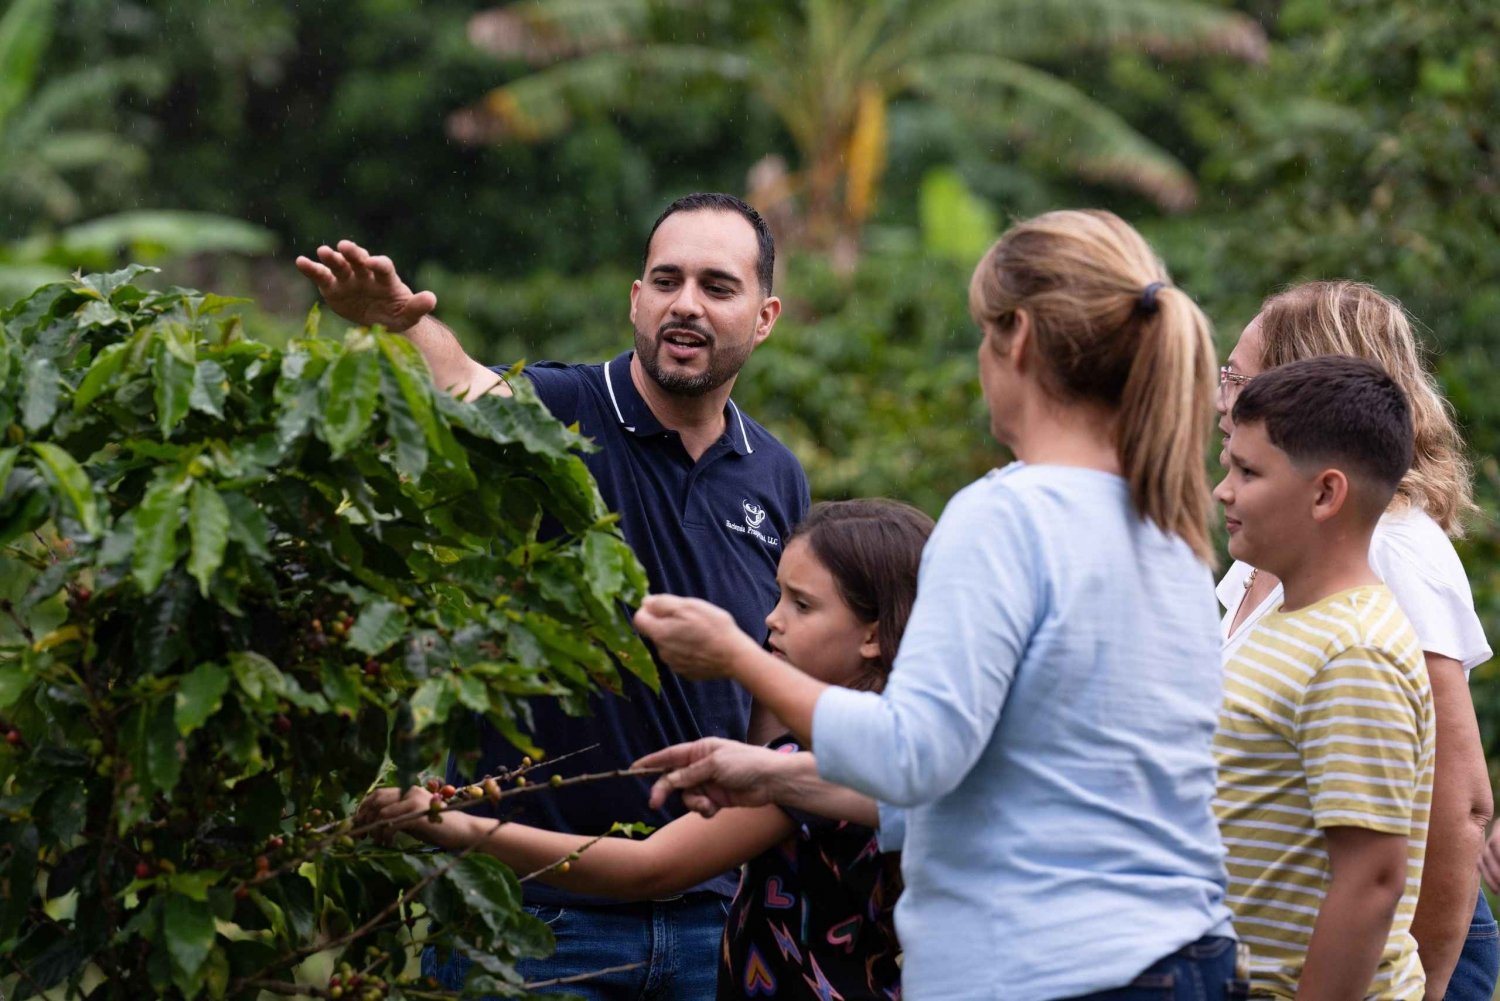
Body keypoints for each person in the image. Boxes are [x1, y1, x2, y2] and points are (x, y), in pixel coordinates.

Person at [634, 209, 1241, 1000]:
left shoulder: (1007, 515)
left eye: (984, 336)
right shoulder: (1170, 530)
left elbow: (912, 754)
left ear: (1016, 336)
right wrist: (771, 774)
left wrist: (734, 655)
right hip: (1183, 957)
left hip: (1051, 970)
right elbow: (994, 777)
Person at [296, 193, 811, 998]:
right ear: (635, 299)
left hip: (713, 926)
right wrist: (401, 321)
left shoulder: (776, 475)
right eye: (666, 280)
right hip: (534, 925)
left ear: (765, 314)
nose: (686, 304)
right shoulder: (563, 407)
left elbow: (778, 674)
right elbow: (466, 387)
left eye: (717, 286)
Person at [359, 499, 931, 999]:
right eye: (778, 594)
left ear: (873, 634)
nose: (771, 619)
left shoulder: (810, 773)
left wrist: (459, 827)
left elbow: (646, 868)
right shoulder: (922, 750)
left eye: (801, 605)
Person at [1216, 281, 1494, 1000]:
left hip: (1402, 936)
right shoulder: (1277, 552)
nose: (1222, 398)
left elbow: (1456, 805)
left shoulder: (1392, 547)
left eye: (1238, 378)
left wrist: (1428, 987)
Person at [1213, 355, 1433, 998]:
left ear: (1325, 493)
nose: (1223, 491)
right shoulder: (1288, 618)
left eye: (1248, 471)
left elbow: (1370, 882)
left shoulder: (1354, 652)